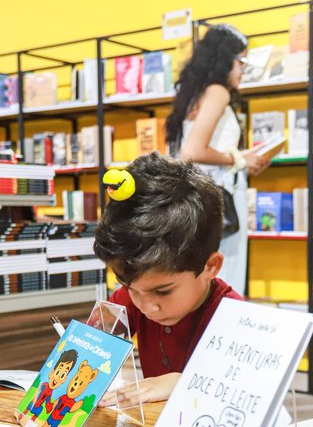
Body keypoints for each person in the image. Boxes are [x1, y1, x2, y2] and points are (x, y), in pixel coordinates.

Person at [93, 152, 242, 406]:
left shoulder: (235, 316)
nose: (148, 307)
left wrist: (182, 381)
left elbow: (242, 390)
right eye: (130, 288)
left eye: (163, 292)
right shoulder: (133, 297)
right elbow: (93, 346)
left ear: (210, 266)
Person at [166, 24, 269, 297]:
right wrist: (238, 158)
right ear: (226, 60)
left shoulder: (195, 93)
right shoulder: (217, 92)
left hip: (201, 196)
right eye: (241, 61)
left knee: (203, 281)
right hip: (220, 198)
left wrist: (241, 158)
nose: (243, 69)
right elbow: (194, 150)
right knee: (225, 281)